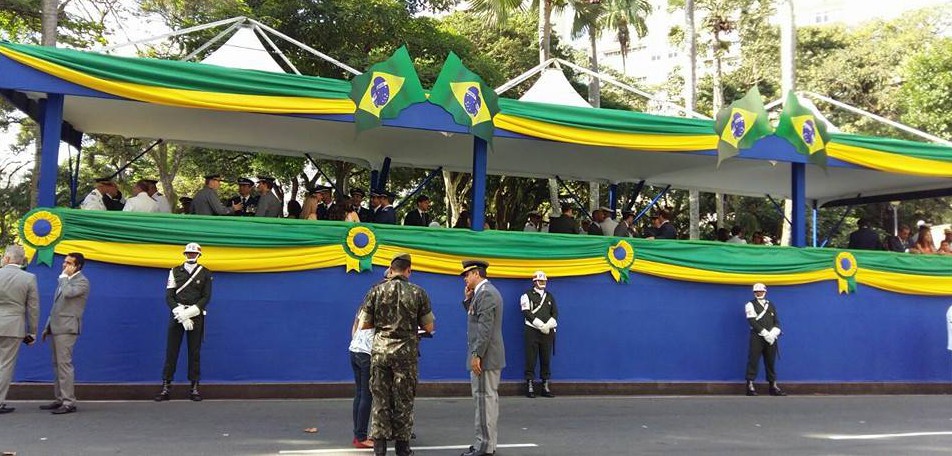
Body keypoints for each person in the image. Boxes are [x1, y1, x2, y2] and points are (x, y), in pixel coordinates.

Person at [358, 253, 435, 456]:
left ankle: (380, 449)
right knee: (404, 400)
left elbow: (364, 324)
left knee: (380, 400)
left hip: (381, 353)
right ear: (409, 271)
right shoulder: (419, 293)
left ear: (391, 271)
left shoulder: (376, 291)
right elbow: (429, 326)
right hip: (406, 356)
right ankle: (402, 448)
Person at [155, 242, 213, 402]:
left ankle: (194, 387)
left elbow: (206, 297)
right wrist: (180, 312)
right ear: (184, 254)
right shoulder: (174, 271)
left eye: (194, 254)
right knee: (171, 351)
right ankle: (166, 386)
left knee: (194, 352)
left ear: (199, 255)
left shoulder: (205, 273)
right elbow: (169, 296)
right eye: (188, 253)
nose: (191, 255)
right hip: (178, 315)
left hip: (195, 315)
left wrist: (190, 312)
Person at [461, 259, 505, 456]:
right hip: (489, 355)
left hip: (485, 357)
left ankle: (484, 447)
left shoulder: (486, 293)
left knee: (483, 401)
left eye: (467, 275)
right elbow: (477, 318)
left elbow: (484, 328)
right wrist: (468, 300)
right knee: (488, 400)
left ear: (476, 274)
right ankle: (488, 443)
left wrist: (477, 354)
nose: (465, 279)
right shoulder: (483, 293)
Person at [39, 252, 90, 415]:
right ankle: (60, 398)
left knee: (64, 365)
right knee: (57, 365)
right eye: (64, 262)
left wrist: (63, 277)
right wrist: (47, 327)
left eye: (68, 263)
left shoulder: (82, 282)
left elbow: (68, 294)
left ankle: (69, 402)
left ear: (77, 266)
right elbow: (56, 306)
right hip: (56, 327)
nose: (64, 265)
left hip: (68, 328)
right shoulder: (66, 281)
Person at [0, 245, 38, 414]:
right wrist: (32, 332)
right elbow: (33, 307)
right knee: (5, 365)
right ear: (21, 260)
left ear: (7, 258)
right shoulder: (29, 278)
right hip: (13, 326)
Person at [520, 271, 558, 398]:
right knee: (531, 358)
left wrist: (548, 326)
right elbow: (526, 312)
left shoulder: (549, 296)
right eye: (541, 281)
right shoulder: (526, 295)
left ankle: (545, 385)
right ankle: (529, 384)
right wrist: (540, 325)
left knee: (546, 358)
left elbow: (555, 313)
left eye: (544, 281)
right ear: (535, 282)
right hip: (532, 331)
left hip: (547, 332)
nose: (543, 283)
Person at [744, 283, 785, 397]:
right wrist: (765, 333)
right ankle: (750, 385)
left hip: (771, 337)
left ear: (765, 292)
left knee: (770, 361)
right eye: (756, 291)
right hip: (757, 336)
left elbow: (776, 320)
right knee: (753, 360)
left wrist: (774, 332)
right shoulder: (750, 304)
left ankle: (773, 386)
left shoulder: (770, 304)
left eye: (761, 291)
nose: (759, 293)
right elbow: (752, 321)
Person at [349, 303, 375, 449]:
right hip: (367, 353)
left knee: (359, 394)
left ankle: (358, 435)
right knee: (367, 395)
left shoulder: (363, 306)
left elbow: (355, 326)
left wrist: (356, 343)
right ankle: (361, 438)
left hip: (354, 350)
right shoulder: (380, 307)